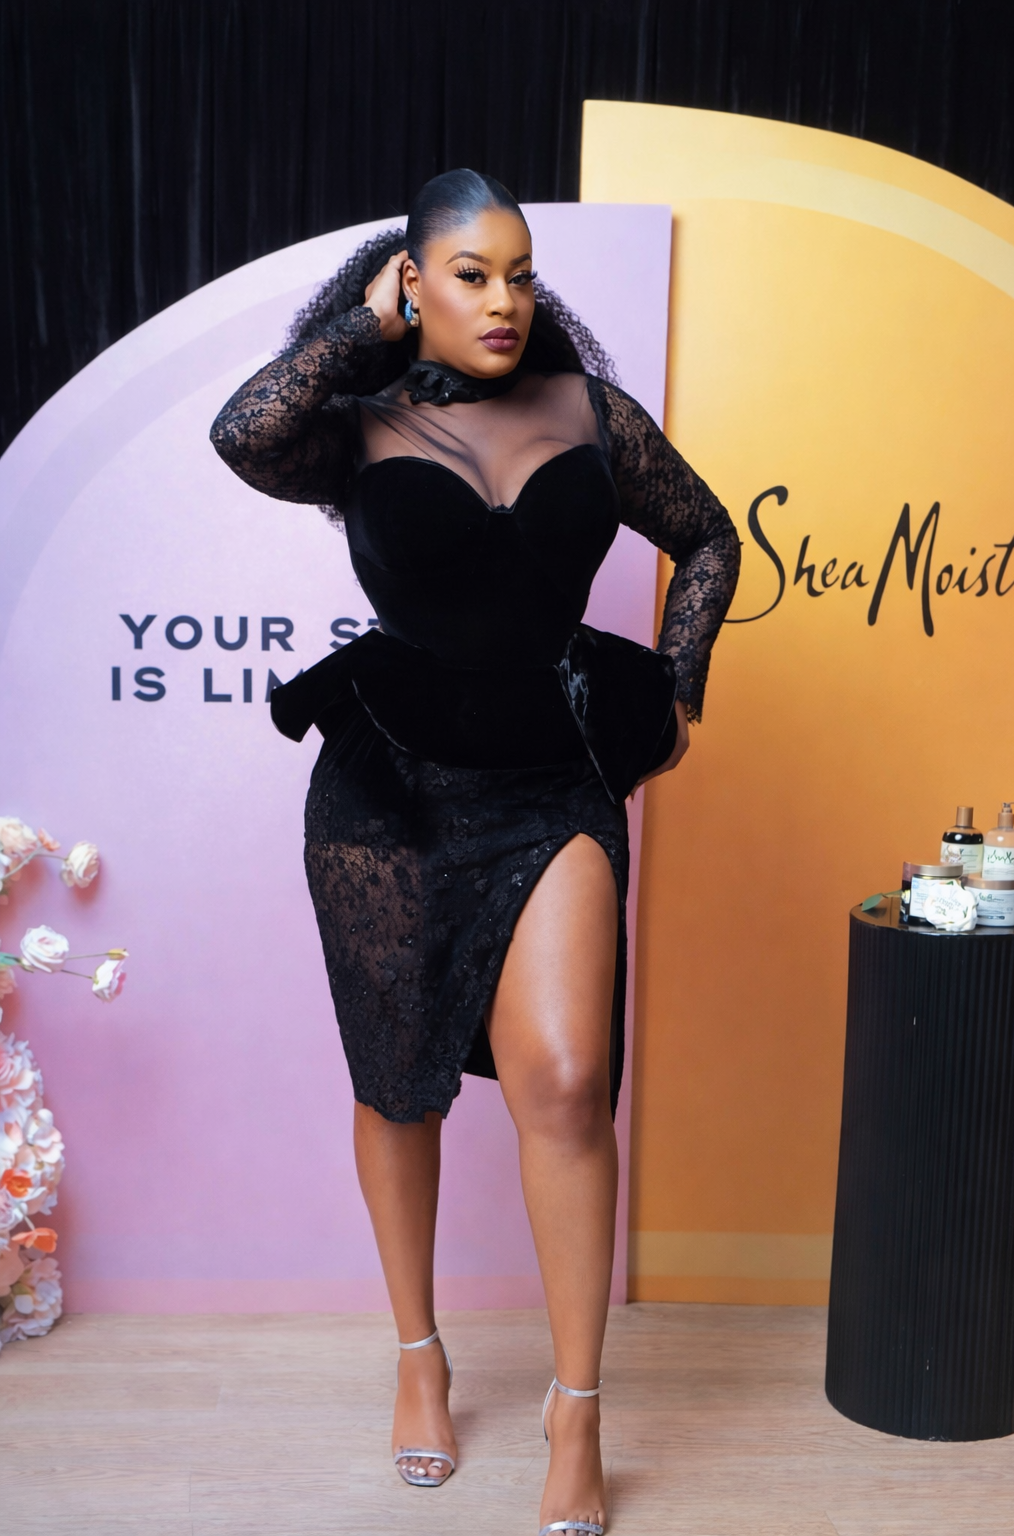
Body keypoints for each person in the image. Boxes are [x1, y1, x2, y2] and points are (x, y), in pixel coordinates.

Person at [211, 168, 739, 1536]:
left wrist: (677, 690)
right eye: (469, 274)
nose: (505, 300)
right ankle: (419, 1357)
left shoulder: (590, 412)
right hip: (387, 787)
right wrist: (363, 333)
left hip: (549, 781)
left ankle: (578, 1410)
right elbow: (241, 432)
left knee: (566, 1079)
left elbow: (708, 536)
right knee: (400, 1086)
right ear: (411, 282)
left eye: (521, 272)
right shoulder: (353, 421)